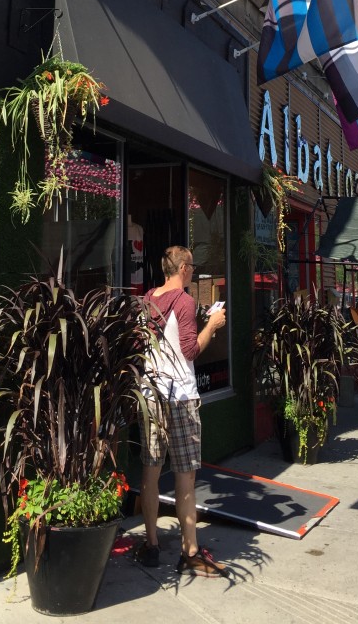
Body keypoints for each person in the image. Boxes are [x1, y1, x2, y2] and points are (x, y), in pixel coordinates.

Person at [135, 245, 228, 577]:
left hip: (150, 394)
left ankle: (151, 544)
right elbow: (189, 350)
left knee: (150, 472)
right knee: (185, 476)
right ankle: (190, 550)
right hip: (180, 397)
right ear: (185, 268)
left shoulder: (147, 299)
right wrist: (213, 325)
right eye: (193, 265)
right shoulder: (185, 302)